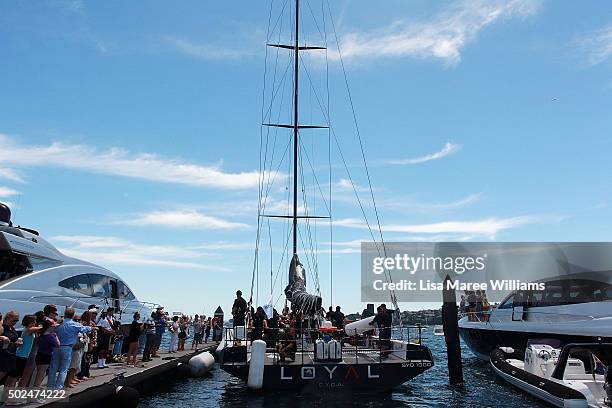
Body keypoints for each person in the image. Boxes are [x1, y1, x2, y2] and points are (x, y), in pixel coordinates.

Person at [47, 308, 92, 389]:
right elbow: (84, 329)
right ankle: (58, 387)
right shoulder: (74, 324)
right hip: (67, 347)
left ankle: (50, 386)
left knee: (53, 368)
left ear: (65, 314)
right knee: (64, 369)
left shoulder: (59, 323)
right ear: (73, 315)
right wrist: (92, 328)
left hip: (56, 347)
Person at [6, 315, 41, 389]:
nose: (35, 323)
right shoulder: (29, 330)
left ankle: (6, 396)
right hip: (21, 356)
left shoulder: (27, 329)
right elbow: (40, 328)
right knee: (15, 377)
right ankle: (10, 398)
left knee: (12, 376)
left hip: (22, 355)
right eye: (34, 321)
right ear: (30, 323)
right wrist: (43, 324)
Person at [33, 319, 59, 391]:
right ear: (50, 327)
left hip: (39, 355)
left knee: (41, 373)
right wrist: (56, 337)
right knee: (40, 376)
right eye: (53, 327)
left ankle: (36, 390)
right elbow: (57, 345)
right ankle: (34, 396)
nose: (54, 328)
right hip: (46, 356)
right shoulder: (50, 336)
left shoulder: (40, 335)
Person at [0, 311, 24, 387]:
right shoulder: (2, 328)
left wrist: (17, 343)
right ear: (7, 318)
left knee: (6, 377)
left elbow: (13, 339)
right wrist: (3, 338)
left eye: (17, 321)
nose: (15, 322)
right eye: (14, 320)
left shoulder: (12, 328)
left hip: (11, 354)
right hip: (3, 355)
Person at [65, 314, 87, 388]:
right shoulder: (72, 327)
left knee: (77, 364)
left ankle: (72, 378)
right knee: (73, 366)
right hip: (74, 348)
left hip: (80, 346)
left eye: (78, 320)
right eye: (75, 320)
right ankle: (68, 382)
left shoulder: (79, 327)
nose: (77, 321)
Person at [77, 310, 97, 381]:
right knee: (85, 359)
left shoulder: (83, 322)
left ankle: (85, 374)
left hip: (87, 342)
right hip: (87, 342)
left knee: (86, 359)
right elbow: (88, 334)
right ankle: (83, 374)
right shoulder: (86, 323)